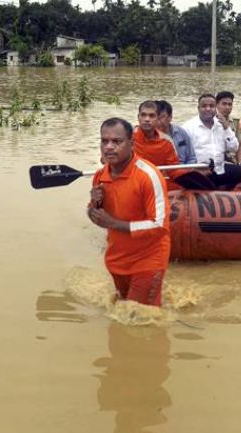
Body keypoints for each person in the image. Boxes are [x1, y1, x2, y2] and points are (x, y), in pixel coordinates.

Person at [88, 118, 171, 307]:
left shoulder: (148, 175)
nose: (108, 147)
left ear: (132, 144)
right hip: (117, 258)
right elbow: (95, 216)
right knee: (123, 311)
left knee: (138, 317)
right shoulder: (101, 176)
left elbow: (160, 225)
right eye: (104, 141)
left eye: (117, 142)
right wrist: (94, 205)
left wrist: (113, 223)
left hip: (149, 258)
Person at [182, 94, 241, 190]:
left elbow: (234, 148)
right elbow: (182, 155)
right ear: (198, 108)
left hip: (218, 168)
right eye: (204, 106)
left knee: (239, 171)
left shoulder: (221, 125)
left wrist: (227, 128)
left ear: (215, 108)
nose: (208, 109)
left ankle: (220, 192)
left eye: (211, 106)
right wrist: (195, 169)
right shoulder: (188, 127)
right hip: (198, 170)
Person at [131, 100, 183, 183]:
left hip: (157, 183)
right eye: (143, 115)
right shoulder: (127, 138)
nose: (147, 119)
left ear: (158, 118)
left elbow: (174, 171)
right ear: (138, 117)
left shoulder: (166, 141)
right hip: (132, 183)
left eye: (151, 116)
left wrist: (195, 172)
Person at [155, 100, 197, 165]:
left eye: (162, 117)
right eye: (155, 117)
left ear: (170, 117)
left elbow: (191, 157)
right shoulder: (147, 135)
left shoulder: (181, 132)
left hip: (183, 169)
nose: (158, 121)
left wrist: (188, 170)